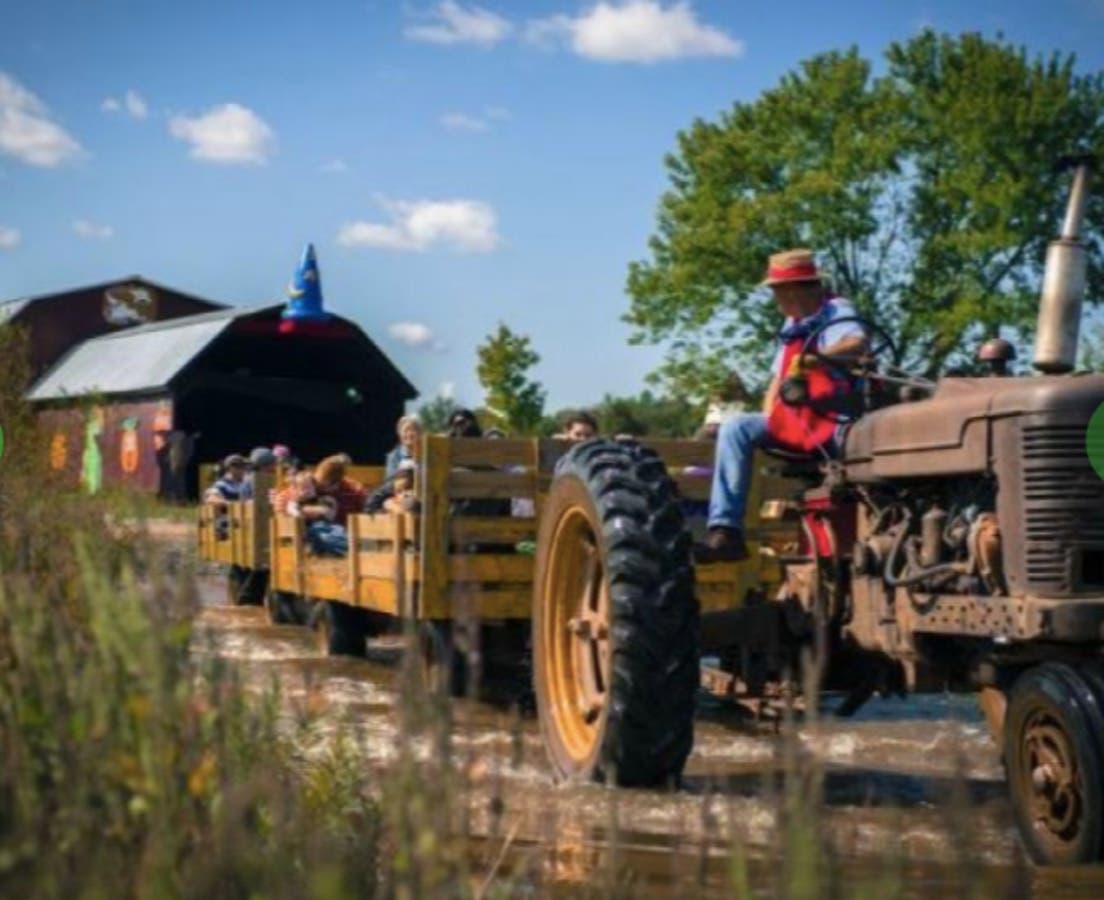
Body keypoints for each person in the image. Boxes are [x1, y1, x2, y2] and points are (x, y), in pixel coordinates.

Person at [698, 248, 867, 562]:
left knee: (865, 440)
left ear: (793, 290)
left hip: (835, 417)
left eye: (776, 291)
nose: (775, 299)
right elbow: (777, 379)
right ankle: (726, 530)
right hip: (794, 417)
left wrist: (818, 357)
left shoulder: (836, 311)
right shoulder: (792, 325)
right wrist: (769, 415)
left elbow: (858, 344)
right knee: (736, 427)